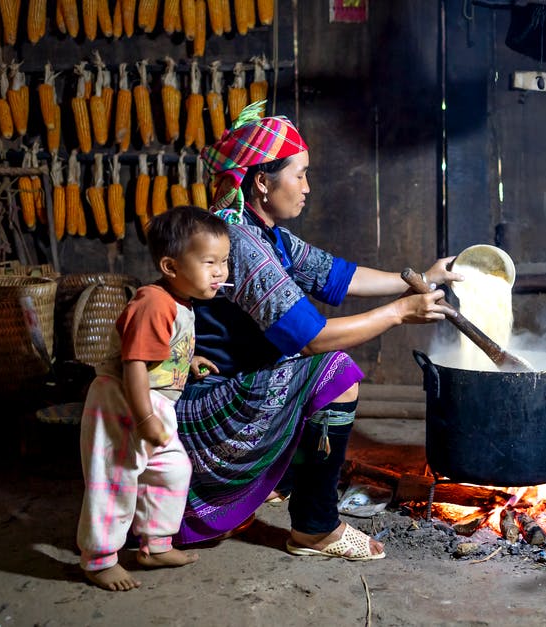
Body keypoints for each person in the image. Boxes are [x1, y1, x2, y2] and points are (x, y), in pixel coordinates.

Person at [172, 101, 459, 560]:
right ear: (262, 182)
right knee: (334, 372)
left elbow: (340, 277)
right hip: (211, 408)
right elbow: (313, 338)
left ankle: (275, 479)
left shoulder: (266, 234)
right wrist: (400, 313)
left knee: (306, 370)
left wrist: (422, 276)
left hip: (241, 391)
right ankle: (315, 527)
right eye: (299, 175)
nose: (307, 187)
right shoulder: (240, 242)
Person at [77, 206, 230, 591]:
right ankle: (98, 559)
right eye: (209, 262)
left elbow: (157, 350)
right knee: (115, 476)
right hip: (125, 399)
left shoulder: (180, 302)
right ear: (171, 265)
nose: (220, 272)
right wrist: (145, 419)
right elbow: (134, 363)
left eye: (224, 262)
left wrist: (186, 359)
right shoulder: (154, 302)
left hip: (153, 402)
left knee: (173, 468)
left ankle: (155, 544)